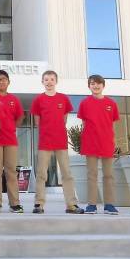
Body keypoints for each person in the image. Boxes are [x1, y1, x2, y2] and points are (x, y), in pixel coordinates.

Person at [30, 70, 84, 214]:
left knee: (67, 173)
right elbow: (37, 122)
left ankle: (71, 205)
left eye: (51, 79)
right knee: (42, 174)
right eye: (46, 79)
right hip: (45, 142)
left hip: (61, 141)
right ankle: (39, 204)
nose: (49, 82)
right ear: (42, 82)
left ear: (56, 81)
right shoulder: (38, 100)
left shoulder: (63, 98)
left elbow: (64, 119)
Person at [78, 74, 120, 215]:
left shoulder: (111, 103)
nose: (95, 86)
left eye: (98, 84)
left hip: (107, 142)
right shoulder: (84, 103)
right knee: (92, 174)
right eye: (92, 84)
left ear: (103, 85)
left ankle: (109, 205)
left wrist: (111, 139)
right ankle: (92, 205)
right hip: (90, 143)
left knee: (108, 175)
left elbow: (112, 125)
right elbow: (84, 123)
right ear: (89, 86)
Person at [0, 70, 24, 213]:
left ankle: (14, 203)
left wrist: (11, 127)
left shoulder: (14, 99)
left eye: (4, 79)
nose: (1, 82)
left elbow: (20, 117)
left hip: (10, 140)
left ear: (8, 82)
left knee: (11, 172)